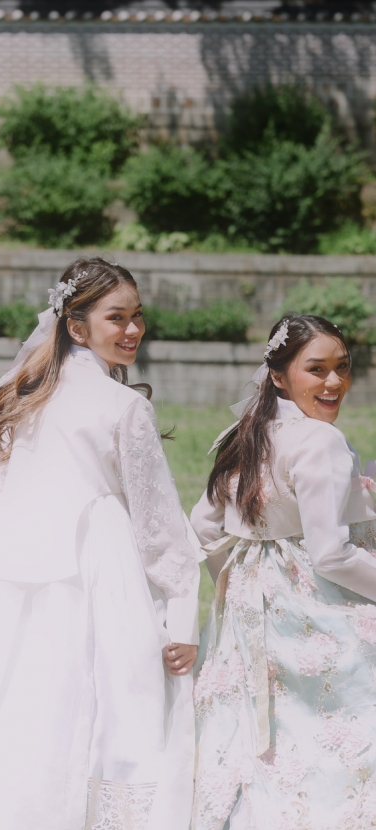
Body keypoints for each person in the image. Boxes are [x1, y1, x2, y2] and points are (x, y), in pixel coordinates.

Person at [0, 258, 201, 830]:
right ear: (77, 327)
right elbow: (157, 528)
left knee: (20, 690)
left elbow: (157, 519)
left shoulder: (38, 391)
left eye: (137, 318)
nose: (132, 331)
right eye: (116, 318)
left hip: (46, 563)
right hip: (63, 566)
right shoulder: (70, 398)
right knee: (52, 692)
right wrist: (183, 614)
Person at [191, 314, 376, 830]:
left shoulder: (244, 434)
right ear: (279, 376)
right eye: (316, 370)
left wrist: (241, 585)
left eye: (343, 367)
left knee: (269, 737)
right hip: (323, 605)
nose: (334, 382)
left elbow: (202, 528)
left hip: (253, 613)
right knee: (337, 727)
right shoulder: (319, 441)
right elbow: (332, 555)